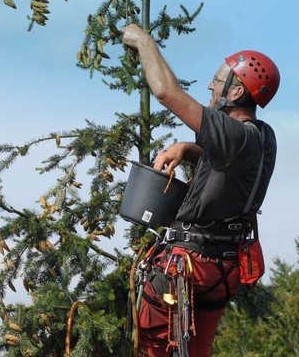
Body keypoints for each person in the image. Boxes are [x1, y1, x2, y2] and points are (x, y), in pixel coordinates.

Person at [121, 23, 280, 357]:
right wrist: (187, 148)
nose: (211, 85)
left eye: (218, 80)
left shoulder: (232, 133)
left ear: (236, 93)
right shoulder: (262, 136)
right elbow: (228, 166)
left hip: (191, 264)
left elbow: (166, 92)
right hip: (223, 269)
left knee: (149, 347)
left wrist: (144, 42)